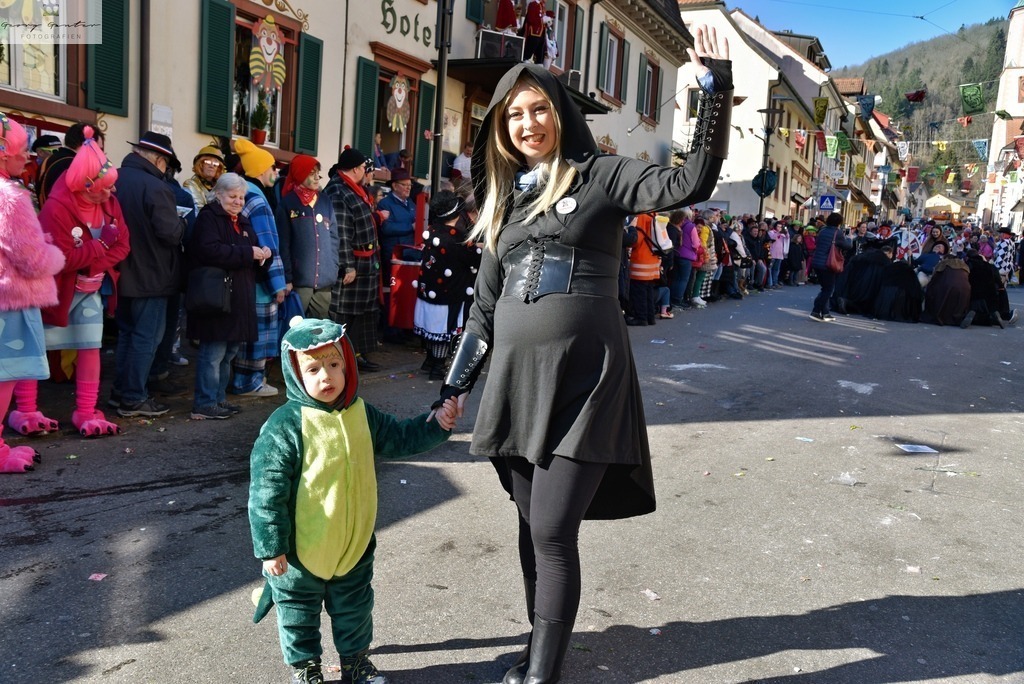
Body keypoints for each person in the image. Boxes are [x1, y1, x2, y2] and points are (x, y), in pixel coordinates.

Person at [433, 26, 732, 684]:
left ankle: (544, 675)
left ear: (560, 112)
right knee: (529, 526)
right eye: (515, 114)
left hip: (586, 382)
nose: (528, 122)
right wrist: (453, 388)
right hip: (516, 385)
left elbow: (689, 182)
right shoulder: (505, 203)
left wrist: (715, 91)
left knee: (551, 530)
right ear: (502, 128)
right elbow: (484, 310)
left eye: (539, 107)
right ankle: (538, 652)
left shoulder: (603, 175)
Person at [248, 317, 459, 684]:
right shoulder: (284, 425)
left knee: (355, 609)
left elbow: (400, 437)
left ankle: (356, 662)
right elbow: (266, 491)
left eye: (334, 364)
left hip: (354, 545)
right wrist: (271, 548)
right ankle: (306, 667)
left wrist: (437, 424)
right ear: (295, 373)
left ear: (346, 363)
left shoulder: (362, 412)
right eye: (313, 369)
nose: (326, 376)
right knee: (298, 613)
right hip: (301, 550)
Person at [18, 127, 131, 438]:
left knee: (90, 345)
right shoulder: (56, 208)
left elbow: (123, 245)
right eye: (104, 188)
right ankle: (25, 409)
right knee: (35, 347)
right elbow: (60, 258)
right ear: (85, 185)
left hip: (90, 289)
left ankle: (86, 410)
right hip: (55, 291)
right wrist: (99, 247)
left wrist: (91, 262)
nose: (110, 194)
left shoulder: (110, 203)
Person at [0, 113, 66, 472]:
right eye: (22, 149)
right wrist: (54, 254)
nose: (28, 156)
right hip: (11, 302)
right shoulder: (10, 197)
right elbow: (31, 259)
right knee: (4, 377)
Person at [112, 131, 186, 417]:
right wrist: (184, 224)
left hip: (121, 272)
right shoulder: (156, 187)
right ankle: (133, 397)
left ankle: (121, 393)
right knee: (146, 338)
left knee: (128, 335)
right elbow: (170, 233)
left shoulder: (116, 179)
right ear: (159, 160)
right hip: (152, 275)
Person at [186, 173, 270, 420]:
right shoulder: (208, 217)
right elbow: (209, 251)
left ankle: (218, 399)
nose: (238, 201)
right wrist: (248, 253)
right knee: (213, 353)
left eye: (241, 197)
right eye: (233, 196)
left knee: (229, 352)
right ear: (218, 194)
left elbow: (249, 252)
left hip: (238, 297)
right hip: (216, 298)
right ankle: (204, 403)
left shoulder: (242, 221)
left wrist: (264, 255)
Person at [230, 139, 286, 397]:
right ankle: (250, 382)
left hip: (244, 276)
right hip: (261, 280)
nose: (276, 172)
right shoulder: (258, 200)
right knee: (258, 332)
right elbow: (268, 244)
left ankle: (243, 379)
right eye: (273, 167)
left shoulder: (242, 194)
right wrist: (278, 284)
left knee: (245, 332)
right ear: (262, 169)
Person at [324, 148, 384, 372]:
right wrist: (347, 265)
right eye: (364, 168)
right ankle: (343, 358)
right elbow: (341, 233)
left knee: (362, 314)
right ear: (356, 169)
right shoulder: (338, 191)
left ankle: (357, 355)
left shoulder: (355, 189)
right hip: (354, 264)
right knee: (346, 315)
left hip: (367, 262)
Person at [413, 190, 481, 379]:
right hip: (449, 292)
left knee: (431, 326)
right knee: (443, 328)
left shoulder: (432, 230)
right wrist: (479, 250)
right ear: (456, 213)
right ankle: (438, 366)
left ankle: (429, 361)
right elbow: (473, 258)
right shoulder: (456, 238)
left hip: (429, 288)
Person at [37, 123, 106, 207]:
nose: (99, 154)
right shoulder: (75, 166)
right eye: (98, 149)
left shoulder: (48, 160)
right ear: (85, 143)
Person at [809, 212, 852, 322]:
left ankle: (825, 313)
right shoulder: (837, 233)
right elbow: (847, 246)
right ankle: (815, 311)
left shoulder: (822, 231)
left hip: (817, 262)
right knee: (828, 290)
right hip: (828, 264)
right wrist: (849, 238)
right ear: (839, 223)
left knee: (825, 288)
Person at [182, 145, 226, 211]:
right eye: (207, 162)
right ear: (200, 164)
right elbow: (198, 210)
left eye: (215, 163)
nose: (212, 165)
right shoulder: (190, 184)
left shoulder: (221, 186)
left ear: (219, 167)